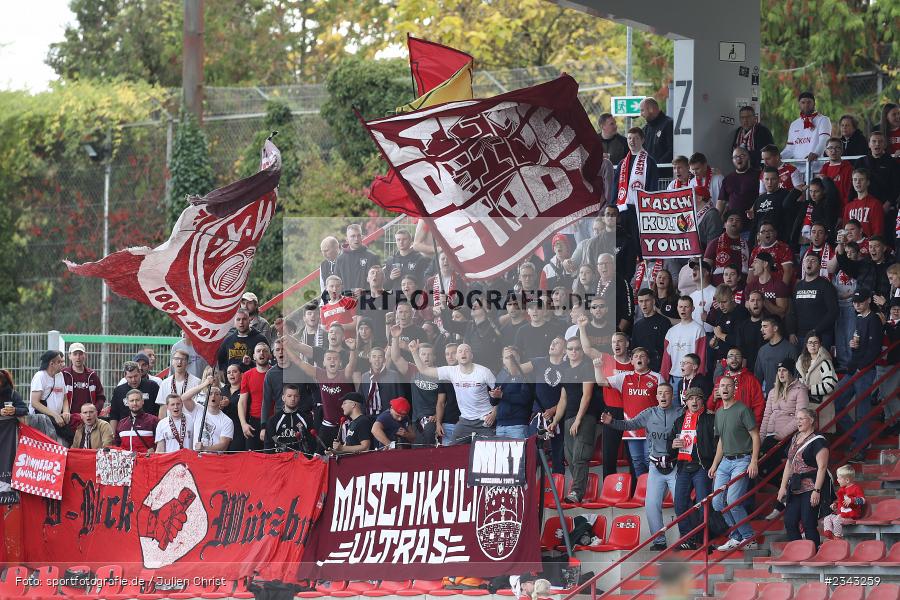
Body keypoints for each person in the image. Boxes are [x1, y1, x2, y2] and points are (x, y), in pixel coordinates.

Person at [601, 382, 683, 551]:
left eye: (667, 393)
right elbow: (629, 425)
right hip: (655, 466)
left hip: (675, 465)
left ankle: (686, 538)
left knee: (681, 504)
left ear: (672, 396)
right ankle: (659, 541)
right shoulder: (649, 413)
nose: (663, 396)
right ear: (656, 396)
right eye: (660, 393)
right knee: (651, 505)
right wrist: (611, 422)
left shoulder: (680, 413)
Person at [593, 347, 665, 477]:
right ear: (631, 361)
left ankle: (653, 488)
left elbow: (665, 402)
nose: (639, 358)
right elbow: (601, 382)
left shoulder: (657, 377)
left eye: (642, 356)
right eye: (636, 356)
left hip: (651, 429)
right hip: (632, 430)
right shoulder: (624, 377)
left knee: (650, 461)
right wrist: (597, 368)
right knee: (637, 463)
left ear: (648, 360)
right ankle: (641, 489)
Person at [708, 375, 760, 551]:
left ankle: (748, 537)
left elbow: (755, 436)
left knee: (733, 501)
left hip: (742, 460)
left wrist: (754, 461)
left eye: (728, 386)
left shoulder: (743, 409)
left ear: (734, 389)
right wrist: (715, 464)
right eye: (722, 385)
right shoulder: (719, 412)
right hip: (725, 461)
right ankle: (737, 535)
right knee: (716, 503)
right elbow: (722, 441)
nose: (724, 388)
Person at [409, 340, 496, 444]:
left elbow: (500, 394)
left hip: (485, 419)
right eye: (460, 351)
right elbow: (424, 370)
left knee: (490, 448)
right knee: (452, 447)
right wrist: (414, 352)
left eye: (466, 351)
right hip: (465, 421)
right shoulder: (451, 371)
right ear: (457, 357)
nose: (463, 353)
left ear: (471, 355)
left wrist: (494, 413)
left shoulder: (484, 372)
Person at [552, 337, 602, 503]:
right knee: (570, 457)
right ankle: (579, 492)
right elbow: (563, 399)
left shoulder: (587, 367)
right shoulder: (566, 371)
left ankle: (576, 493)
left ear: (582, 351)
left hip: (585, 417)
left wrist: (579, 419)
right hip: (568, 418)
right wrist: (555, 421)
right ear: (566, 351)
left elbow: (586, 396)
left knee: (580, 456)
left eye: (577, 348)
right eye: (570, 348)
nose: (574, 351)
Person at [836, 290, 883, 460]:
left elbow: (874, 349)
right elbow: (861, 345)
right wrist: (853, 347)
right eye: (855, 302)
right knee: (836, 403)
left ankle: (861, 446)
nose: (856, 304)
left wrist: (860, 367)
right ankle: (859, 437)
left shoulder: (874, 319)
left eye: (860, 301)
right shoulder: (859, 318)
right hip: (855, 369)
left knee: (862, 410)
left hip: (865, 370)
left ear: (868, 300)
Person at [669, 387, 717, 550]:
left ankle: (705, 539)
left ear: (702, 401)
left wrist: (714, 464)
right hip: (684, 467)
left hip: (702, 466)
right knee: (679, 504)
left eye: (697, 398)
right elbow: (670, 445)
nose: (694, 401)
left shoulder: (710, 419)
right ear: (686, 402)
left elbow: (717, 444)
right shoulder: (679, 421)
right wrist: (673, 445)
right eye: (690, 399)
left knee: (703, 504)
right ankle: (687, 538)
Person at [776, 408, 829, 549]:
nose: (798, 422)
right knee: (790, 522)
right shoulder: (795, 438)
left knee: (808, 522)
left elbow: (822, 467)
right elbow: (789, 463)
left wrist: (817, 490)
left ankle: (814, 551)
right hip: (795, 486)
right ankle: (799, 550)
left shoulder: (818, 441)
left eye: (801, 418)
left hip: (811, 486)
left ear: (811, 420)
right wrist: (782, 487)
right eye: (796, 418)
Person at [759, 359, 809, 477]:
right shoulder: (772, 392)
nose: (781, 373)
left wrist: (781, 435)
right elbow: (766, 416)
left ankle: (782, 484)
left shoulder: (800, 390)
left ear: (791, 372)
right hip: (770, 435)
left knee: (769, 463)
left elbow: (800, 418)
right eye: (779, 370)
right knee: (759, 460)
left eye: (784, 370)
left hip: (787, 437)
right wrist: (761, 438)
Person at [615, 127, 659, 242]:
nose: (632, 141)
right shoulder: (622, 163)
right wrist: (613, 206)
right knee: (623, 241)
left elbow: (653, 188)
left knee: (638, 241)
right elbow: (615, 188)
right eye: (629, 138)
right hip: (623, 209)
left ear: (642, 140)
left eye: (636, 138)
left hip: (641, 209)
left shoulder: (650, 162)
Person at [787, 252, 839, 349]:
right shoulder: (798, 286)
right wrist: (791, 332)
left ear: (820, 266)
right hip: (800, 336)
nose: (809, 263)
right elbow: (792, 311)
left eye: (813, 260)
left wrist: (817, 330)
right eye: (807, 260)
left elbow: (833, 312)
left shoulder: (826, 285)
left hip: (821, 335)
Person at [708, 347, 766, 424]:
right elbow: (710, 407)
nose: (734, 359)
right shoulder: (720, 380)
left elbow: (759, 405)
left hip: (743, 425)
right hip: (722, 424)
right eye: (731, 356)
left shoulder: (751, 379)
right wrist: (713, 398)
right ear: (726, 361)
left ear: (742, 360)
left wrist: (753, 425)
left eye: (737, 356)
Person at [660, 296, 707, 388]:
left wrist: (698, 379)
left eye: (686, 307)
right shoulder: (671, 331)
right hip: (674, 378)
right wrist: (664, 379)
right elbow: (666, 358)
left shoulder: (698, 329)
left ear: (692, 309)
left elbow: (701, 357)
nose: (683, 309)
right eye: (681, 307)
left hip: (692, 379)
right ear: (677, 308)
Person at [796, 333, 838, 434]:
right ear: (806, 345)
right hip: (806, 407)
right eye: (810, 342)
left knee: (821, 436)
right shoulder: (801, 362)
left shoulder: (825, 362)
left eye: (816, 342)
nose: (813, 345)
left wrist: (810, 388)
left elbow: (830, 385)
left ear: (820, 344)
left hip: (822, 408)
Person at [61, 343, 104, 435]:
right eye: (75, 354)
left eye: (80, 354)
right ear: (69, 356)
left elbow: (101, 397)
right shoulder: (63, 374)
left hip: (88, 421)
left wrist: (93, 412)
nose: (78, 357)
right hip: (68, 421)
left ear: (85, 355)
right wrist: (64, 413)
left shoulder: (92, 375)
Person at [855, 132, 900, 219]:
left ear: (885, 145)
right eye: (874, 141)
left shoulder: (892, 163)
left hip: (886, 207)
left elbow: (896, 186)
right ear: (869, 144)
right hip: (863, 207)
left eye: (880, 141)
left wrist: (889, 203)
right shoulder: (860, 162)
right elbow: (853, 184)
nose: (877, 144)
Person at [237, 342, 272, 450]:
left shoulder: (276, 373)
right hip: (254, 423)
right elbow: (242, 402)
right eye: (258, 351)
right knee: (252, 457)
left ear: (270, 355)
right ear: (254, 356)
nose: (262, 353)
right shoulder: (247, 375)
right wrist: (243, 424)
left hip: (273, 421)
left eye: (265, 351)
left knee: (272, 457)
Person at [492, 347, 533, 439]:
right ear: (503, 360)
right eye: (507, 358)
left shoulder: (525, 374)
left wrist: (502, 395)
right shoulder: (501, 375)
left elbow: (525, 399)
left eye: (512, 357)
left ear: (518, 357)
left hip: (518, 426)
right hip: (500, 426)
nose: (510, 360)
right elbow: (493, 402)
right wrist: (494, 396)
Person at [29, 350, 69, 443]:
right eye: (59, 362)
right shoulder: (40, 376)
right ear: (52, 364)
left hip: (57, 419)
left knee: (67, 439)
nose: (63, 364)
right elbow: (34, 402)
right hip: (42, 421)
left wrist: (66, 411)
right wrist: (54, 415)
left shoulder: (60, 375)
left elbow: (65, 398)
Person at [752, 167, 801, 243]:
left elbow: (792, 221)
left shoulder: (786, 195)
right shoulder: (759, 199)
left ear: (779, 180)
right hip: (762, 243)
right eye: (767, 179)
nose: (770, 182)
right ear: (763, 180)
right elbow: (755, 224)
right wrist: (751, 243)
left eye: (773, 179)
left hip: (781, 242)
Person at [781, 91, 831, 162]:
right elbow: (790, 149)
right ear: (799, 104)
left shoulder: (823, 120)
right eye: (803, 102)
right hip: (797, 167)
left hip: (817, 166)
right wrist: (778, 156)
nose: (806, 105)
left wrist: (816, 153)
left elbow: (824, 140)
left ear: (814, 103)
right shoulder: (794, 124)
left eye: (809, 102)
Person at [687, 153, 725, 248]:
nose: (695, 172)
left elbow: (724, 201)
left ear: (705, 165)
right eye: (692, 169)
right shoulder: (692, 182)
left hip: (715, 218)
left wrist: (716, 217)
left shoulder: (718, 178)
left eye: (697, 169)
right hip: (699, 221)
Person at [631, 288, 672, 373]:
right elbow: (635, 350)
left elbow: (668, 349)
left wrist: (664, 368)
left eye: (647, 300)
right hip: (642, 369)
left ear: (653, 301)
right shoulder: (637, 325)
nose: (644, 304)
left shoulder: (664, 322)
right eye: (641, 301)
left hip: (660, 369)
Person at [708, 284, 750, 366]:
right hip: (721, 359)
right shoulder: (719, 312)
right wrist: (714, 341)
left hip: (736, 361)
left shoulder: (742, 313)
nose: (721, 306)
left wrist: (720, 335)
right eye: (719, 302)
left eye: (724, 302)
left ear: (732, 298)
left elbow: (739, 340)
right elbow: (717, 334)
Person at [358, 346, 408, 416]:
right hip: (369, 415)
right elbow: (361, 398)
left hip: (389, 415)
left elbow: (401, 396)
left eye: (380, 357)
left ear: (384, 359)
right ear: (370, 359)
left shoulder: (394, 375)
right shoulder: (365, 377)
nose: (377, 359)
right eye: (374, 357)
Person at [705, 211, 749, 286]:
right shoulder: (715, 243)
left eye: (738, 220)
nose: (734, 222)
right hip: (719, 287)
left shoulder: (747, 245)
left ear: (741, 225)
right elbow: (705, 267)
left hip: (742, 286)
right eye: (731, 219)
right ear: (724, 224)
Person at [823, 464, 866, 539]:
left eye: (839, 478)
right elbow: (841, 501)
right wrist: (836, 504)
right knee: (827, 517)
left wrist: (852, 500)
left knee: (837, 519)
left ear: (847, 480)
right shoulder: (841, 489)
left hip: (851, 515)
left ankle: (837, 536)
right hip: (841, 514)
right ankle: (828, 533)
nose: (837, 480)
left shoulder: (856, 488)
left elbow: (863, 500)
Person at [335, 223, 380, 294]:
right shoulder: (340, 260)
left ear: (362, 237)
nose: (356, 239)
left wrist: (365, 292)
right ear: (347, 239)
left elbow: (379, 282)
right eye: (353, 236)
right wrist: (347, 293)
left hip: (367, 298)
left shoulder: (372, 257)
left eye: (358, 236)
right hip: (346, 299)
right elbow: (336, 283)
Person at [189, 384, 234, 453]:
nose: (213, 396)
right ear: (205, 397)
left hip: (214, 458)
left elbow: (223, 446)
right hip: (196, 456)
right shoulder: (198, 409)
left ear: (221, 398)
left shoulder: (227, 421)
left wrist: (204, 448)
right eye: (210, 394)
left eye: (217, 394)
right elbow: (184, 398)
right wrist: (205, 383)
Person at [744, 252, 789, 319]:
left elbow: (782, 313)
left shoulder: (779, 285)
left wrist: (763, 300)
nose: (752, 265)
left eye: (755, 262)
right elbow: (747, 307)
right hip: (755, 323)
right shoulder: (750, 286)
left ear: (765, 264)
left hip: (773, 323)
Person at [749, 224, 795, 288]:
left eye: (770, 231)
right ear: (759, 235)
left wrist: (782, 289)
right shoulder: (755, 251)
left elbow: (788, 271)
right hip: (759, 289)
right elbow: (751, 274)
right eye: (763, 231)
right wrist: (750, 290)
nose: (767, 233)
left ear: (775, 233)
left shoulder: (783, 248)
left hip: (778, 288)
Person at [843, 169, 885, 238]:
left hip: (869, 243)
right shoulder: (848, 207)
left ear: (868, 182)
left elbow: (878, 231)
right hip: (852, 244)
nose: (858, 182)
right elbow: (845, 230)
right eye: (855, 179)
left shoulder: (875, 204)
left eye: (861, 179)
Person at [718, 147, 760, 216]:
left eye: (742, 156)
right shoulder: (728, 179)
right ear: (732, 160)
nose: (738, 159)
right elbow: (721, 201)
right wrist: (716, 217)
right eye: (735, 157)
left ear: (748, 157)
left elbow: (763, 195)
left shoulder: (758, 175)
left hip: (753, 217)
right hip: (733, 219)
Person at [819, 137, 855, 208]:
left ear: (842, 151)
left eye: (837, 148)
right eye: (830, 148)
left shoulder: (849, 169)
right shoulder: (823, 169)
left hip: (842, 207)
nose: (834, 151)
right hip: (826, 208)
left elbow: (849, 193)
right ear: (826, 151)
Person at [640, 97, 673, 165]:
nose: (641, 114)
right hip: (650, 170)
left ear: (651, 109)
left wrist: (657, 165)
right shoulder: (645, 129)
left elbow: (672, 150)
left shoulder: (668, 124)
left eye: (642, 110)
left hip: (665, 169)